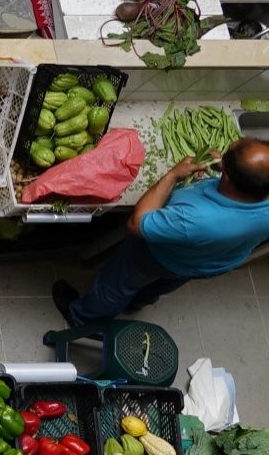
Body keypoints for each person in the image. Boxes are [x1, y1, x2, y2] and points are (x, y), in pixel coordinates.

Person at [54, 138, 269, 327]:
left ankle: (82, 317)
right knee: (160, 284)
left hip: (159, 256)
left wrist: (172, 176)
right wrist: (226, 165)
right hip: (209, 261)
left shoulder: (198, 219)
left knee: (116, 286)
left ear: (229, 179)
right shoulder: (258, 191)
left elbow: (136, 224)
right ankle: (137, 303)